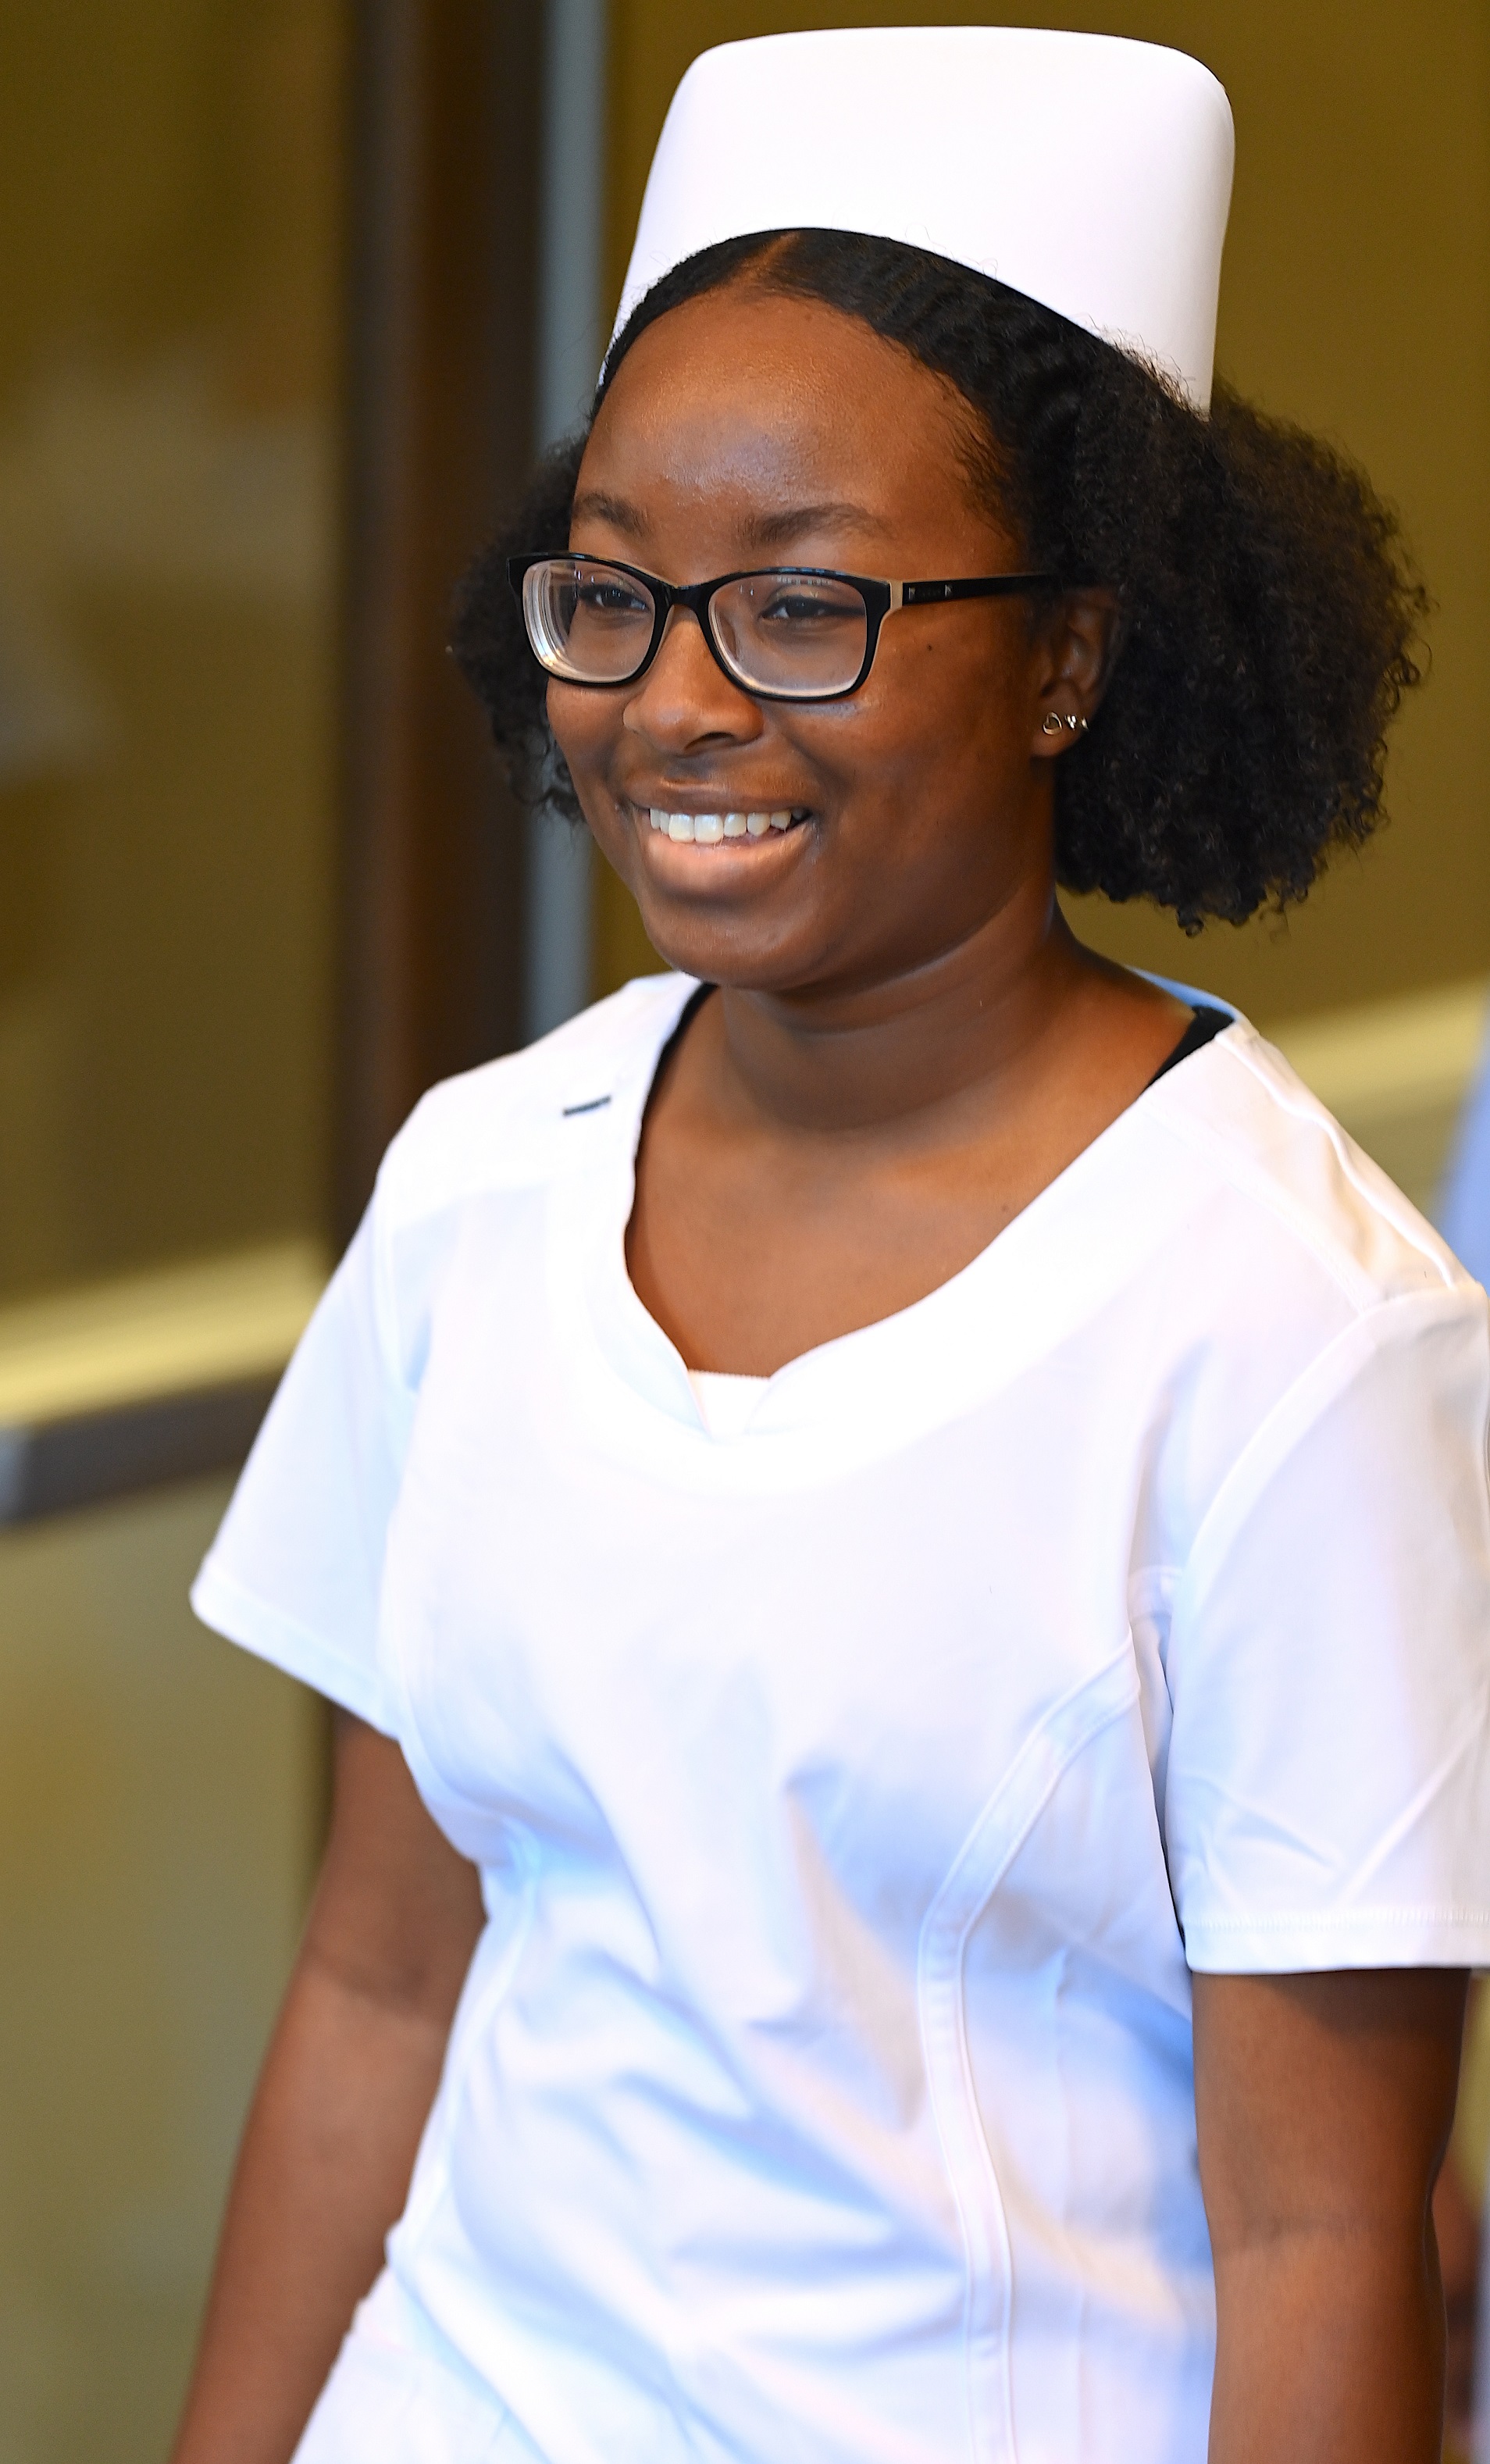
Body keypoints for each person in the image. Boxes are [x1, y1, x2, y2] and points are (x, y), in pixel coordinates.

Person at [172, 28, 1490, 2464]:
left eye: (799, 609)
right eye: (617, 595)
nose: (676, 704)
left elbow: (1333, 2230)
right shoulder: (485, 1181)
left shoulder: (1292, 1330)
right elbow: (376, 1982)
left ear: (1070, 653)